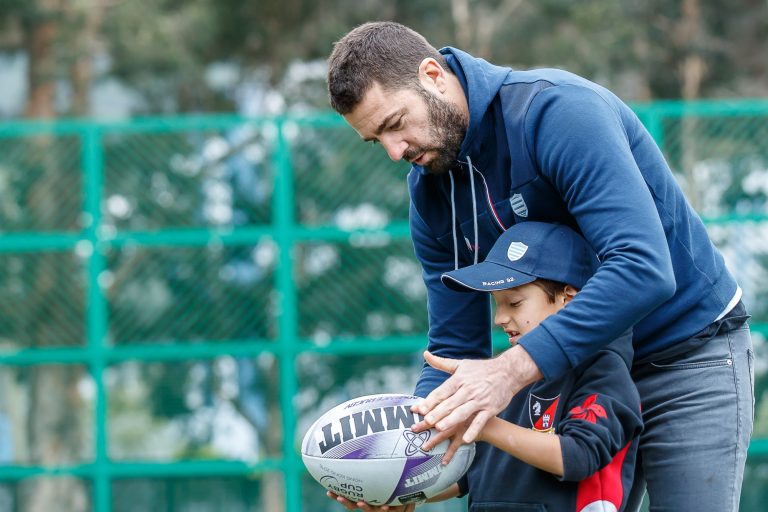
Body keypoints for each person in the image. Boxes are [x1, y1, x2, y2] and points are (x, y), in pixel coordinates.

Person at [326, 21, 754, 511]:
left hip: (682, 352)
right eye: (375, 140)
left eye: (396, 122)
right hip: (564, 374)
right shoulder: (429, 192)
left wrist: (510, 371)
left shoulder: (556, 111)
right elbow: (453, 349)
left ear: (433, 75)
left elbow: (643, 268)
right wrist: (406, 467)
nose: (395, 151)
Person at [328, 222, 643, 511]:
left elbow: (578, 456)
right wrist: (393, 492)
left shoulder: (602, 370)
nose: (500, 318)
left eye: (514, 303)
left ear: (568, 300)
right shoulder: (500, 381)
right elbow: (466, 474)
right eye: (497, 304)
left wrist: (484, 424)